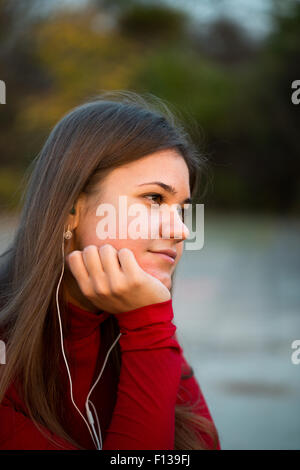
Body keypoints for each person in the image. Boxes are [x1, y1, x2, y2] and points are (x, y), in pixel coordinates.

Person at [0, 90, 221, 450]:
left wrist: (149, 327)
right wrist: (150, 327)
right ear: (70, 209)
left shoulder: (142, 320)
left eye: (181, 208)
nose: (181, 230)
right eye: (154, 198)